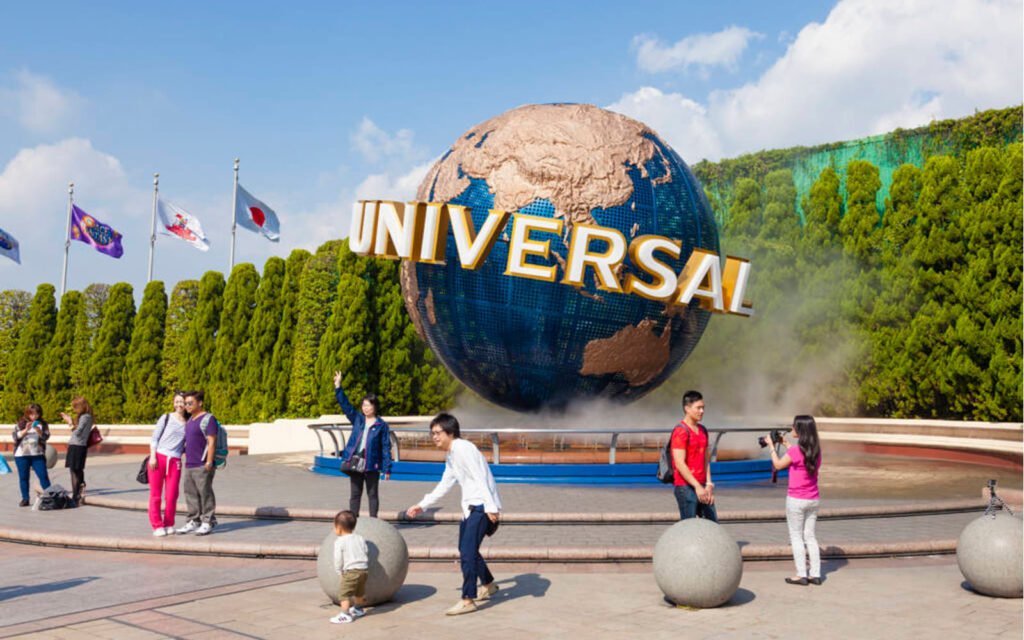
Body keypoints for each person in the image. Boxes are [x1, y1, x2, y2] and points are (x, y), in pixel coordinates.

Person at [406, 413, 501, 616]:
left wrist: (491, 507)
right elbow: (445, 484)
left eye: (437, 433)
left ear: (450, 432)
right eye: (432, 433)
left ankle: (468, 599)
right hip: (471, 506)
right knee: (466, 549)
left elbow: (480, 476)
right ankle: (488, 584)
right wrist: (422, 505)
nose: (434, 437)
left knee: (467, 552)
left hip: (480, 506)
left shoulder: (463, 448)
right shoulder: (452, 455)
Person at [770, 415, 823, 586]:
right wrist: (786, 444)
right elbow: (800, 456)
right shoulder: (816, 450)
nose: (791, 429)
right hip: (813, 499)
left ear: (800, 430)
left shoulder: (795, 452)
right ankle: (815, 574)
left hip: (796, 500)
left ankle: (801, 574)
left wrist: (771, 447)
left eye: (793, 426)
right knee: (810, 536)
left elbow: (778, 465)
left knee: (796, 536)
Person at [333, 371, 392, 518]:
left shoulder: (381, 425)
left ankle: (373, 522)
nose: (365, 408)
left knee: (372, 494)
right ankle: (353, 521)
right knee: (355, 494)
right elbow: (346, 406)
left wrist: (387, 468)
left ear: (375, 407)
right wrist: (338, 387)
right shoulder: (358, 419)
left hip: (372, 465)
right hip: (356, 462)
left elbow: (386, 447)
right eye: (364, 405)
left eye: (369, 405)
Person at [176, 391, 220, 536]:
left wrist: (209, 461)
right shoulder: (190, 420)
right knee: (190, 494)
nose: (187, 406)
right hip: (190, 463)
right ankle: (194, 521)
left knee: (205, 493)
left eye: (190, 403)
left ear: (200, 403)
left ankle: (208, 521)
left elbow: (212, 441)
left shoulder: (208, 419)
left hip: (202, 464)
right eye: (186, 403)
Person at [670, 390, 717, 522]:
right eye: (698, 408)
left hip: (702, 486)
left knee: (712, 525)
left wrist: (708, 484)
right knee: (689, 526)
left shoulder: (703, 430)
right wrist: (697, 486)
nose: (702, 411)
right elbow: (679, 463)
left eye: (703, 408)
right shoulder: (681, 431)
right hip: (685, 486)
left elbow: (705, 460)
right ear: (687, 408)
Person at [147, 392, 189, 536]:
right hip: (158, 458)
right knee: (156, 495)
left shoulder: (188, 422)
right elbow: (154, 438)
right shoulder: (166, 418)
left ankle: (169, 523)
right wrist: (153, 457)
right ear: (173, 403)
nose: (179, 404)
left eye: (182, 402)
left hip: (175, 461)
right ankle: (157, 525)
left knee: (172, 495)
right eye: (177, 401)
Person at [329, 510, 370, 624]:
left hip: (351, 571)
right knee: (359, 592)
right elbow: (366, 551)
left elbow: (338, 558)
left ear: (339, 528)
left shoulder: (340, 541)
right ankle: (358, 609)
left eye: (334, 527)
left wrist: (339, 571)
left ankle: (345, 615)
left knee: (344, 594)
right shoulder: (360, 538)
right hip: (364, 570)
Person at [12, 403, 51, 506]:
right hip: (21, 455)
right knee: (23, 477)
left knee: (43, 476)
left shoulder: (43, 424)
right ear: (27, 413)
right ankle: (25, 498)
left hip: (37, 454)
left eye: (36, 414)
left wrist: (39, 431)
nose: (34, 416)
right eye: (31, 414)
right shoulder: (21, 423)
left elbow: (46, 437)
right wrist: (26, 430)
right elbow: (15, 436)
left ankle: (50, 497)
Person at [60, 396, 94, 505]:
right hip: (78, 445)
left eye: (75, 407)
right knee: (77, 469)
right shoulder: (86, 416)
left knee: (74, 470)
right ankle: (79, 489)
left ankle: (76, 495)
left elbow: (78, 432)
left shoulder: (85, 417)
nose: (74, 409)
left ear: (81, 406)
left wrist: (69, 422)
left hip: (77, 445)